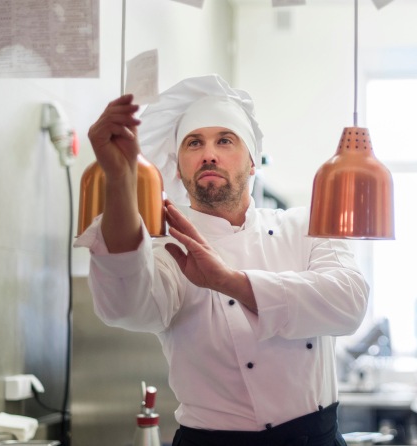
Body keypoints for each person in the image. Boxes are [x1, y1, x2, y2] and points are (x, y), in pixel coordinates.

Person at [76, 74, 369, 446]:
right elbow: (124, 307)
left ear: (252, 163)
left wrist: (229, 281)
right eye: (194, 143)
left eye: (225, 140)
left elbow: (349, 304)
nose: (208, 154)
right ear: (179, 168)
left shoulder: (306, 224)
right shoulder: (169, 247)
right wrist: (120, 179)